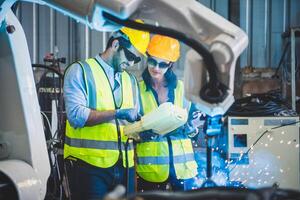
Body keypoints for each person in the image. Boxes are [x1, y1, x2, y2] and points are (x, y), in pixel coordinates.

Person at [63, 21, 150, 199]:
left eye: (136, 59)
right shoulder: (80, 71)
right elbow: (76, 116)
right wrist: (117, 113)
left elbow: (132, 122)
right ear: (115, 44)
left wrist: (145, 130)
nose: (132, 63)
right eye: (130, 56)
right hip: (89, 166)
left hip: (124, 166)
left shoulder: (131, 81)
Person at [136, 35, 199, 192]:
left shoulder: (182, 89)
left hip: (182, 168)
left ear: (170, 64)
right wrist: (142, 134)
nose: (156, 68)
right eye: (152, 61)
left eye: (162, 64)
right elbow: (131, 127)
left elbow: (194, 129)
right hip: (152, 170)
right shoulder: (136, 90)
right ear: (147, 58)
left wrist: (191, 129)